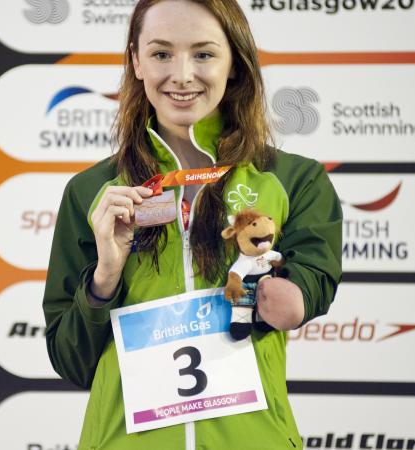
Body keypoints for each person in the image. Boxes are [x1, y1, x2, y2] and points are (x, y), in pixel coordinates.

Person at [42, 0, 342, 449]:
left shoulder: (293, 180)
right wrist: (104, 278)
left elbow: (311, 286)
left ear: (235, 64)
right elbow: (71, 361)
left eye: (203, 54)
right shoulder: (94, 192)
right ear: (136, 61)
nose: (182, 74)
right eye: (162, 54)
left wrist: (290, 292)